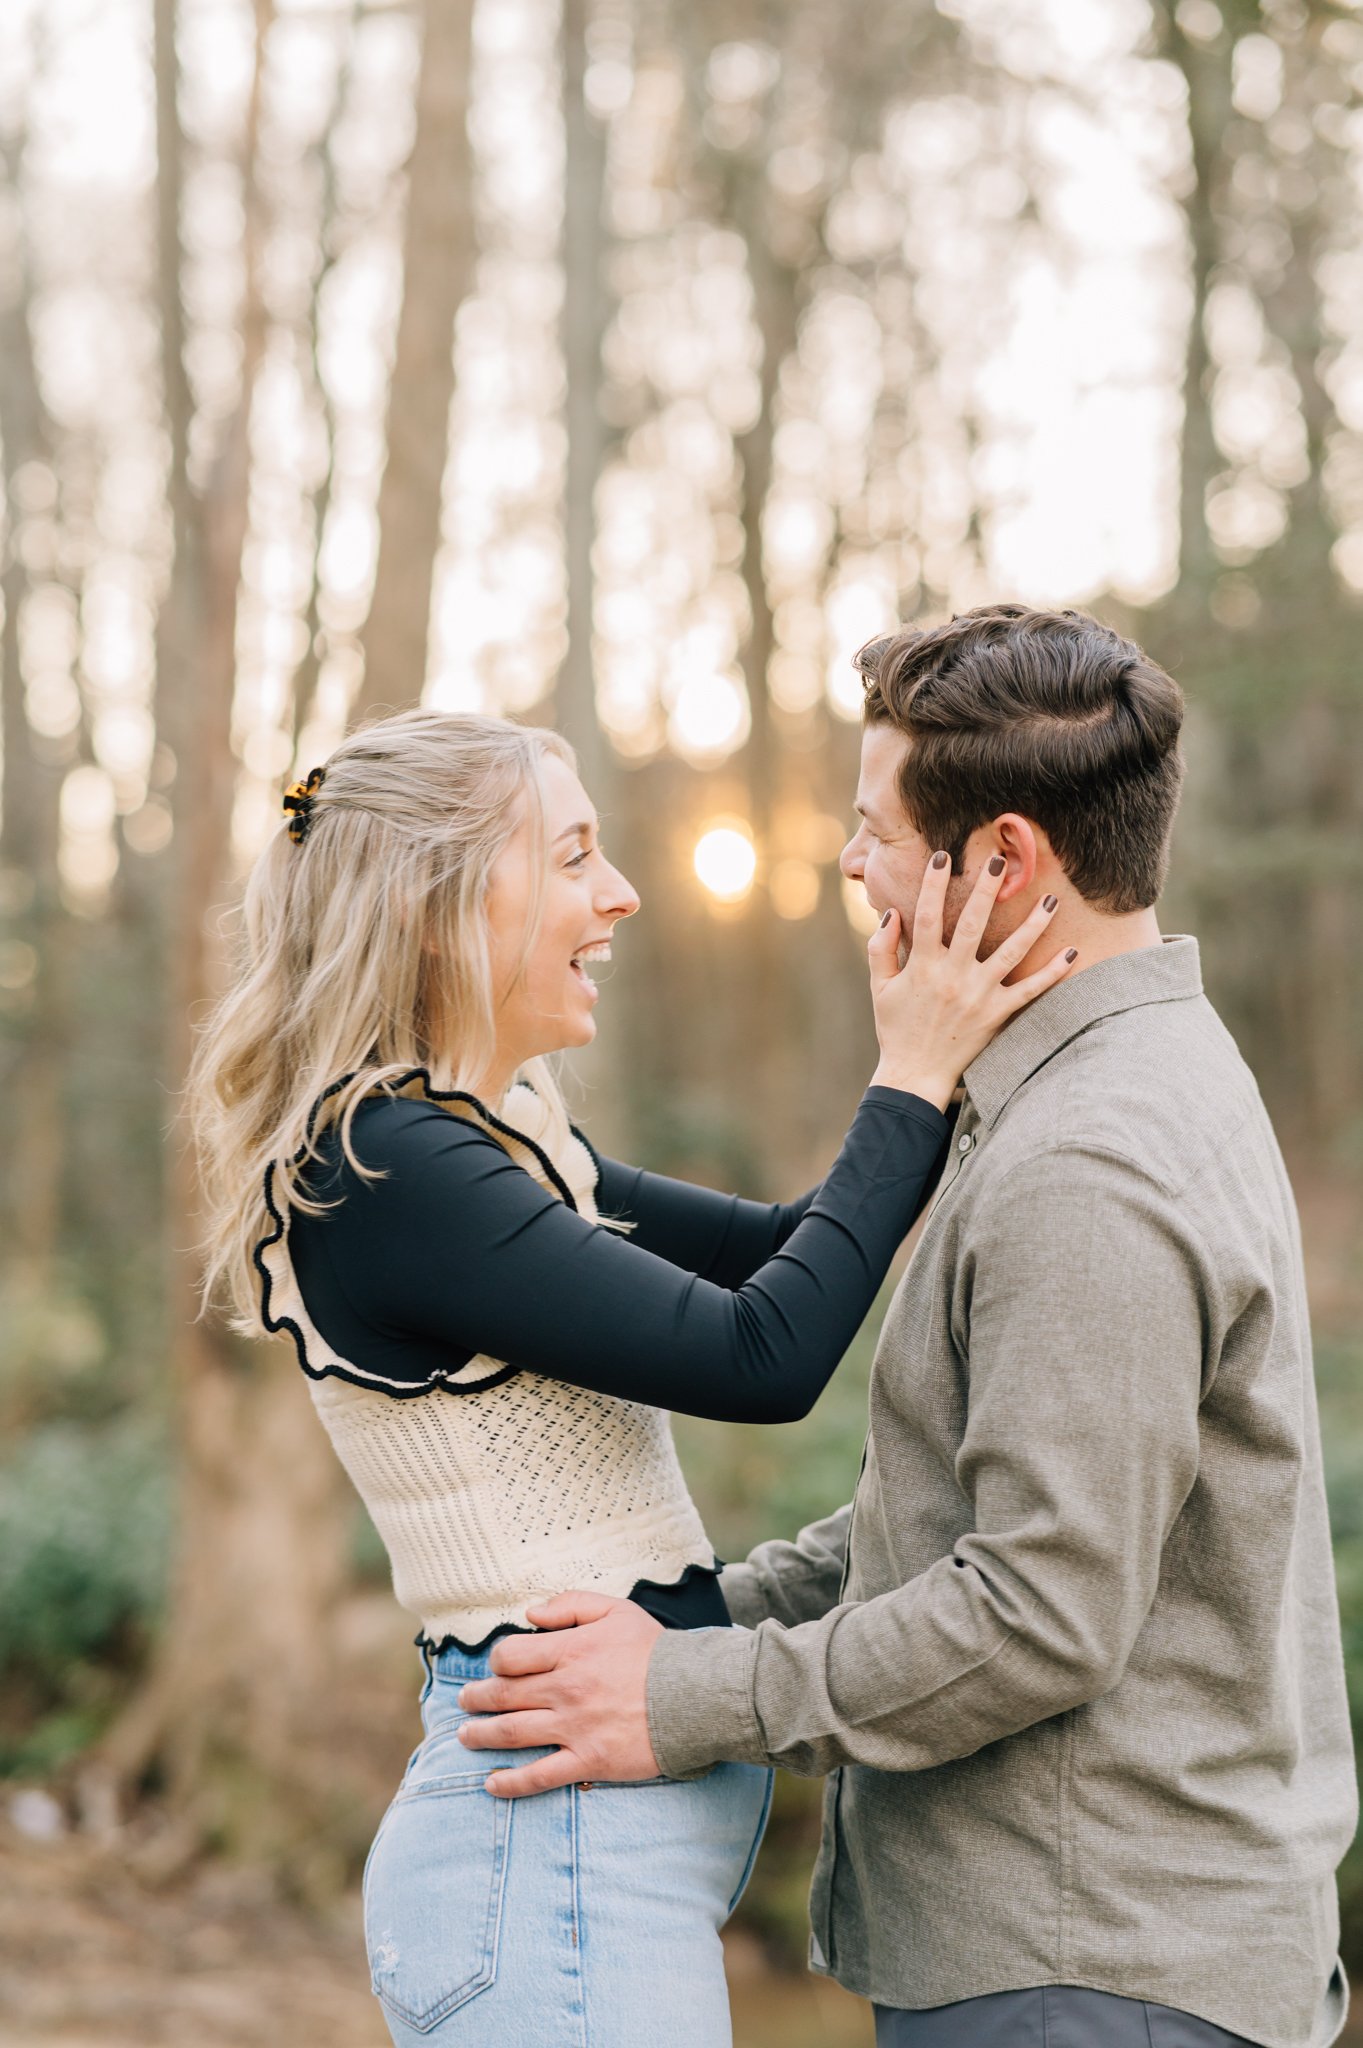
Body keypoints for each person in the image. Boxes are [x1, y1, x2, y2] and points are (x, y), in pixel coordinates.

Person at [459, 607, 1357, 2048]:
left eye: (874, 829)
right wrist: (693, 1618)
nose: (849, 863)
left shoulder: (1091, 1160)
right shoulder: (1124, 1074)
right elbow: (939, 1518)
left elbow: (1037, 1613)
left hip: (1087, 1977)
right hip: (1091, 1964)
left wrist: (691, 1696)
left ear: (1004, 862)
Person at [187, 707, 1075, 2048]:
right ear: (438, 909)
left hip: (585, 1867)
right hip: (546, 1865)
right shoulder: (383, 1168)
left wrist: (959, 1066)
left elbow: (786, 1255)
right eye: (572, 857)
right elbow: (759, 1355)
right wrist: (914, 1072)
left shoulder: (506, 1137)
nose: (622, 892)